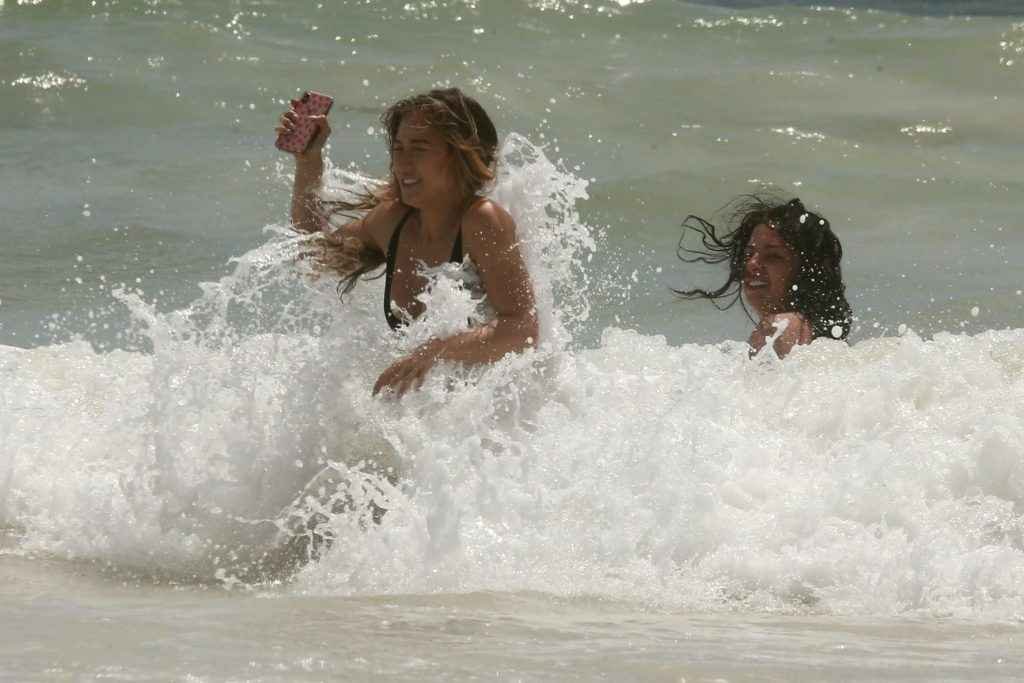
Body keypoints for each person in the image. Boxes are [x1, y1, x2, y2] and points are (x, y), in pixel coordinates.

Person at [276, 88, 538, 395]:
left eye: (420, 148)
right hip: (428, 422)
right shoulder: (392, 222)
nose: (403, 163)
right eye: (398, 148)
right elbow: (313, 252)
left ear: (459, 154)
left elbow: (522, 330)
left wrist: (434, 350)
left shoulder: (482, 222)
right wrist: (308, 161)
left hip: (496, 420)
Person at [675, 196, 852, 358]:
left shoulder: (782, 326)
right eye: (748, 254)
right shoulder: (810, 332)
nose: (751, 264)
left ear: (806, 271)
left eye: (773, 256)